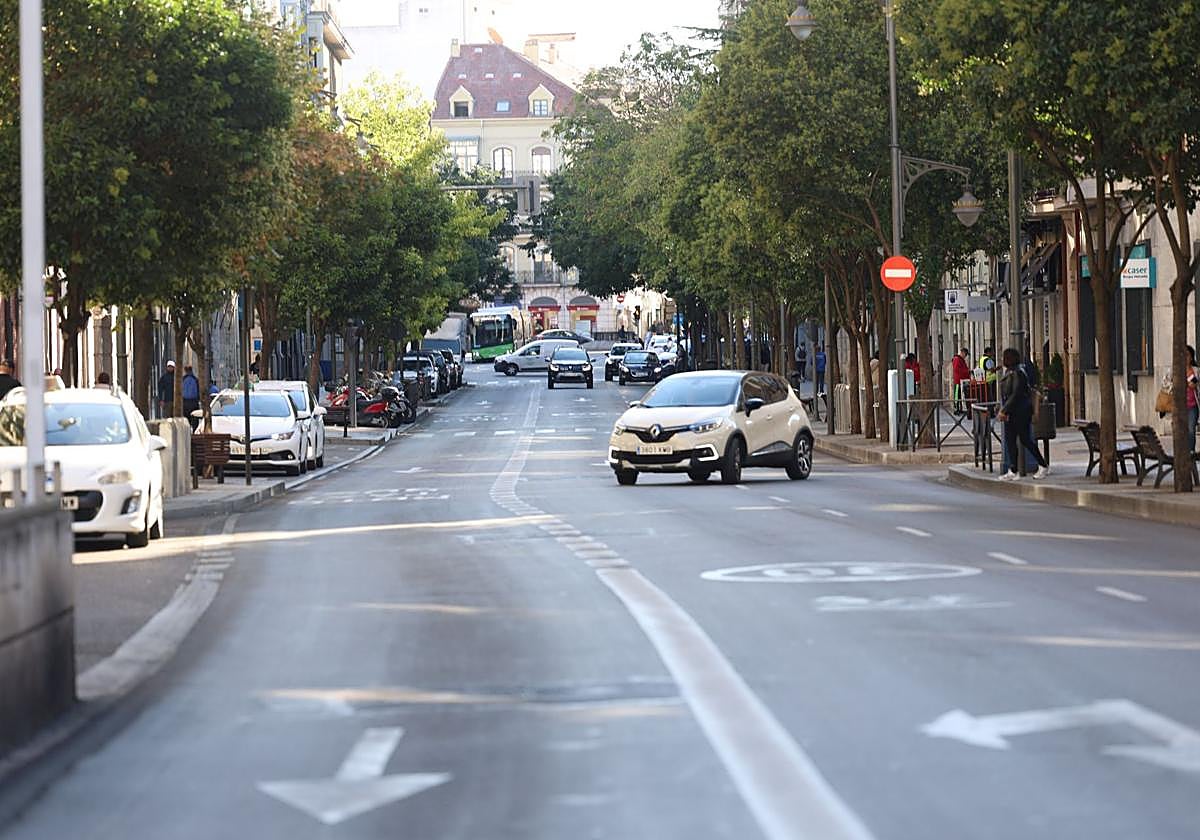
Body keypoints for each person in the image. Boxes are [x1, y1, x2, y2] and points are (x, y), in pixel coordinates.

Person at [997, 348, 1049, 481]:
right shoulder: (1011, 372)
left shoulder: (1018, 373)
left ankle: (1042, 465)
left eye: (1005, 357)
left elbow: (1016, 394)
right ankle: (1013, 470)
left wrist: (1004, 410)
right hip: (1012, 412)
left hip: (1020, 412)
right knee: (1010, 441)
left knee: (1025, 439)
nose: (1003, 359)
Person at [951, 347, 971, 413]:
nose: (966, 356)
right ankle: (956, 409)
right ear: (962, 353)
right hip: (958, 380)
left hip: (962, 380)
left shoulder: (961, 359)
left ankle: (960, 408)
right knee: (957, 395)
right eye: (965, 354)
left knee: (960, 395)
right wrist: (967, 371)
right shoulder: (957, 359)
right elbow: (957, 370)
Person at [1187, 346, 1198, 454]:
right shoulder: (1175, 370)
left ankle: (1191, 451)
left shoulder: (1194, 370)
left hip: (1192, 405)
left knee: (1191, 429)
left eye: (1188, 355)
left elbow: (1194, 384)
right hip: (1179, 406)